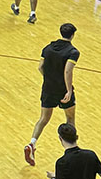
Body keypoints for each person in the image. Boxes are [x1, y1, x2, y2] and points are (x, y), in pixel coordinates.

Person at [25, 23, 80, 166]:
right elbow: (68, 71)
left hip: (48, 88)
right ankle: (72, 151)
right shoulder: (73, 52)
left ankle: (32, 144)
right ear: (73, 35)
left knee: (43, 119)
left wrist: (48, 79)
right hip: (62, 90)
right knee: (70, 118)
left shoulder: (48, 48)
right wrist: (68, 90)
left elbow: (40, 67)